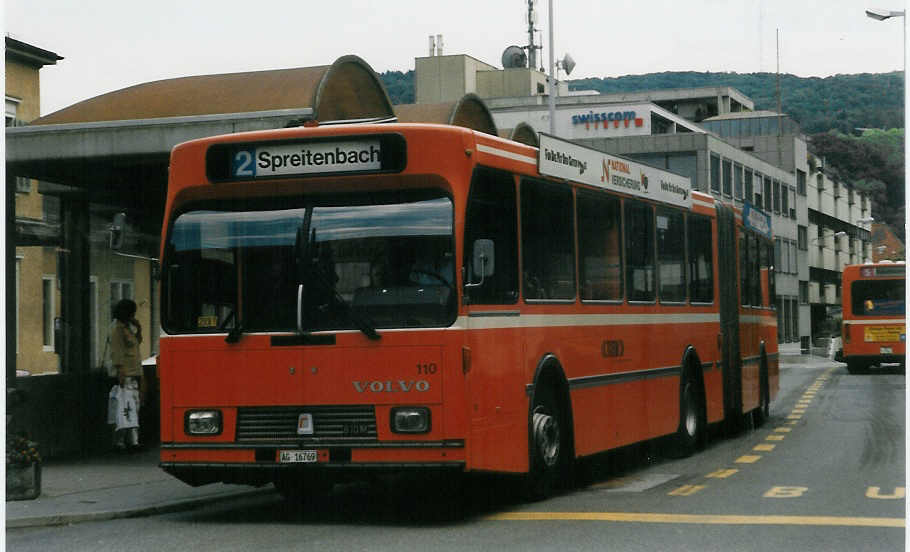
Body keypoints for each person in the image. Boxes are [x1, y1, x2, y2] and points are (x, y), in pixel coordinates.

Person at [110, 299, 144, 450]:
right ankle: (126, 441)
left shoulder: (128, 328)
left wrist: (138, 328)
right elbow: (117, 352)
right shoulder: (117, 329)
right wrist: (121, 372)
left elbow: (137, 343)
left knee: (132, 406)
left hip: (134, 372)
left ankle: (129, 440)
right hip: (125, 374)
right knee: (127, 407)